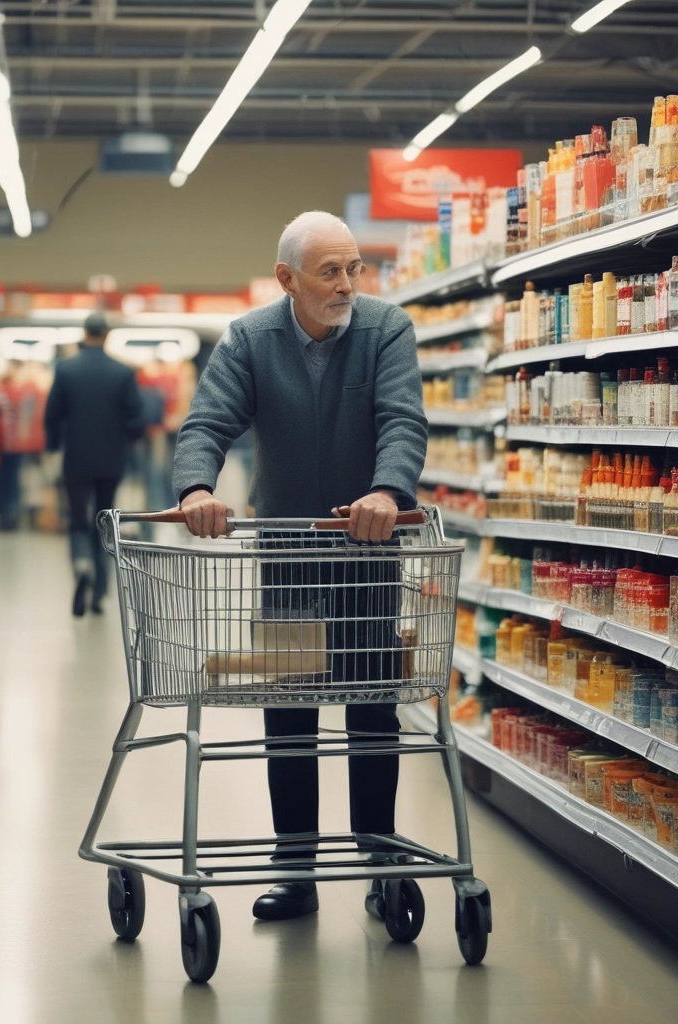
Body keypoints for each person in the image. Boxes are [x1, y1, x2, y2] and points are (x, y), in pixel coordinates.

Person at [171, 210, 428, 921]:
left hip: (370, 549)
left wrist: (388, 490)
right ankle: (297, 870)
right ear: (287, 279)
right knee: (290, 711)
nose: (347, 284)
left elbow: (403, 419)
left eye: (355, 269)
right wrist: (196, 488)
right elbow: (207, 422)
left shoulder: (387, 329)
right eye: (330, 272)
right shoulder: (252, 340)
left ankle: (379, 858)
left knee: (372, 706)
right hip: (288, 556)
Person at [44, 312, 146, 617]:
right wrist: (126, 440)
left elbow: (52, 415)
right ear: (106, 335)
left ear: (84, 333)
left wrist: (52, 446)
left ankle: (81, 564)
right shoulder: (122, 372)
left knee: (78, 519)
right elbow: (137, 420)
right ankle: (100, 593)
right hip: (111, 460)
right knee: (105, 520)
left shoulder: (66, 369)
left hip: (76, 457)